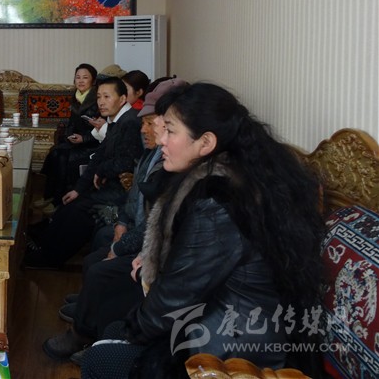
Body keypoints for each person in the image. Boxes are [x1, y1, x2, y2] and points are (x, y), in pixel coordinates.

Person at [79, 83, 325, 379]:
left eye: (170, 131)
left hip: (235, 354)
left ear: (206, 142)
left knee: (100, 357)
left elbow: (174, 298)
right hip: (230, 322)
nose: (161, 140)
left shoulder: (219, 202)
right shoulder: (238, 174)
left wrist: (136, 321)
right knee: (113, 328)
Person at [43, 78, 187, 364]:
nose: (145, 129)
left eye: (153, 124)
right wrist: (121, 224)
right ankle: (85, 307)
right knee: (92, 248)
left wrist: (124, 247)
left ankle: (83, 333)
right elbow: (135, 198)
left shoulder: (174, 165)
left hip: (156, 254)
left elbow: (156, 223)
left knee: (99, 261)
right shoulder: (154, 153)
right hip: (137, 231)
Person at [24, 77, 143, 269]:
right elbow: (100, 156)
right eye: (99, 97)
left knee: (79, 211)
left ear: (122, 99)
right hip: (107, 186)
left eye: (107, 96)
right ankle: (41, 246)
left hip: (122, 193)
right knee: (70, 201)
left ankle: (49, 258)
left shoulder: (130, 122)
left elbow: (126, 162)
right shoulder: (116, 121)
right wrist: (78, 189)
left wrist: (101, 171)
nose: (101, 102)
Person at [36, 63, 101, 208]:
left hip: (92, 145)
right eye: (78, 77)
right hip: (77, 141)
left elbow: (103, 130)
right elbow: (71, 123)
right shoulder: (76, 97)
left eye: (85, 77)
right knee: (54, 153)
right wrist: (69, 136)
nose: (81, 81)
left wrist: (84, 138)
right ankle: (46, 195)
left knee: (63, 157)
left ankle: (58, 200)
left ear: (93, 81)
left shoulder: (98, 99)